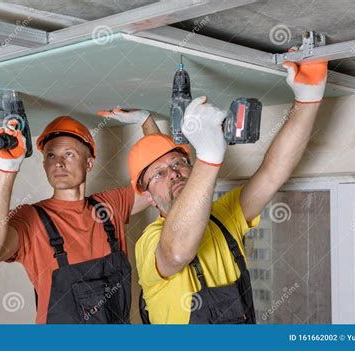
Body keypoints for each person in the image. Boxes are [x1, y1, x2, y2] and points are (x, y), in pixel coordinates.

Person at [129, 58, 328, 324]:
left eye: (178, 163)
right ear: (148, 196)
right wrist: (208, 157)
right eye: (159, 174)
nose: (174, 173)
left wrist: (307, 100)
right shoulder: (150, 243)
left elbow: (272, 173)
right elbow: (176, 252)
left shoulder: (224, 218)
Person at [0, 109, 159, 324]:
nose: (58, 163)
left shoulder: (109, 206)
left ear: (89, 163)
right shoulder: (31, 218)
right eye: (51, 156)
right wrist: (6, 169)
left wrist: (146, 121)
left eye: (68, 154)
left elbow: (159, 179)